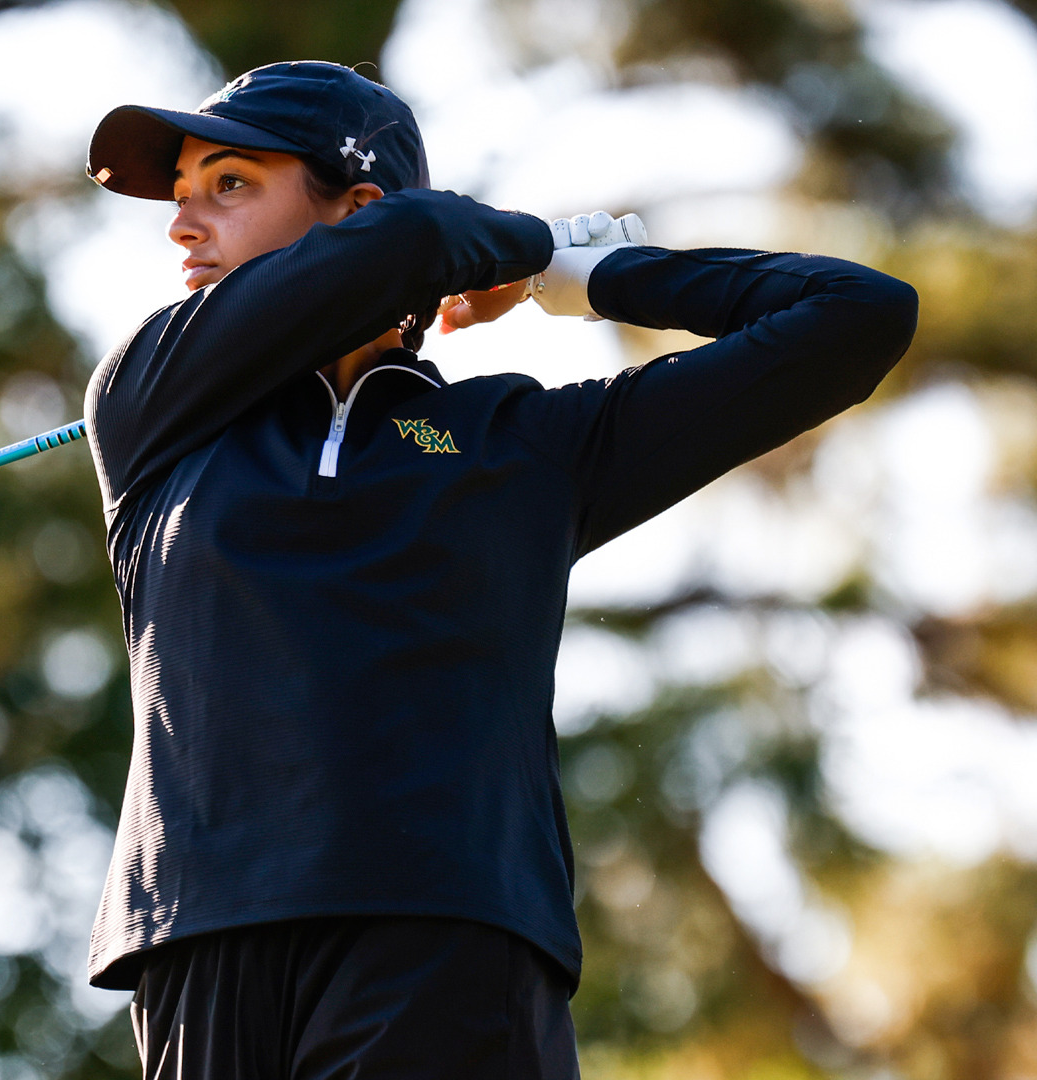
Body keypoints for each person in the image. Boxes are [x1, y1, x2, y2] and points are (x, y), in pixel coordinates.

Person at [80, 61, 917, 1077]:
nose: (183, 226)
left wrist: (589, 274)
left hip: (449, 939)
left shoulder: (519, 441)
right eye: (180, 195)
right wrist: (506, 241)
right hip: (200, 943)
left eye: (229, 184)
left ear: (356, 209)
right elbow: (418, 238)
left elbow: (857, 316)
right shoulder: (152, 404)